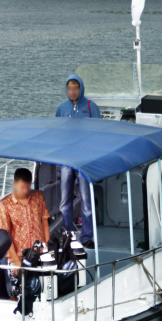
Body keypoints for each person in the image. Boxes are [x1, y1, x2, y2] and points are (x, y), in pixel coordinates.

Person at [55, 74, 101, 248]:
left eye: (75, 88)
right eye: (69, 88)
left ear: (81, 89)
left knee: (86, 201)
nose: (72, 92)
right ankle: (68, 234)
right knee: (64, 201)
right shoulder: (61, 108)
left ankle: (87, 236)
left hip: (84, 160)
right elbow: (56, 133)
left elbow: (99, 132)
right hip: (67, 160)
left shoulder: (91, 107)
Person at [0, 167, 50, 265]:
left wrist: (47, 248)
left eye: (28, 187)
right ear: (14, 184)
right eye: (22, 187)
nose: (25, 190)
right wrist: (16, 260)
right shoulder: (4, 205)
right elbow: (5, 235)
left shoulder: (38, 196)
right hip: (18, 258)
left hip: (40, 254)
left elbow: (44, 221)